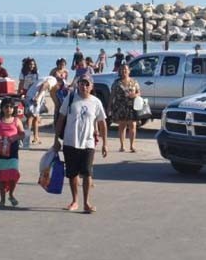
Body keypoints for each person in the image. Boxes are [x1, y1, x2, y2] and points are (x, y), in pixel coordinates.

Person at [52, 74, 107, 214]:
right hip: (70, 141)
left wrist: (105, 143)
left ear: (92, 86)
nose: (84, 86)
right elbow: (60, 120)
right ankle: (75, 200)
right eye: (82, 84)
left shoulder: (96, 102)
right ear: (78, 85)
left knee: (87, 173)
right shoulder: (70, 99)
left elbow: (102, 123)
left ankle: (86, 202)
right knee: (72, 173)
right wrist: (56, 139)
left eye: (87, 84)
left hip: (88, 142)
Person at [0, 98, 25, 207]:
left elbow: (23, 134)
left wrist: (14, 138)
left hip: (13, 151)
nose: (8, 109)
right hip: (0, 152)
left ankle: (11, 194)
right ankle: (2, 200)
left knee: (14, 174)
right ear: (2, 108)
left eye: (10, 107)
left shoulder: (17, 121)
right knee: (2, 177)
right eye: (6, 107)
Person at [108, 64, 140, 153]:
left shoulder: (134, 82)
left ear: (129, 71)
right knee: (122, 126)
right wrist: (109, 107)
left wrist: (135, 95)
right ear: (119, 71)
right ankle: (122, 146)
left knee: (132, 126)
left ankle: (132, 146)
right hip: (120, 107)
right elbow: (112, 95)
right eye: (122, 70)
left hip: (131, 107)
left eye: (125, 69)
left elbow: (139, 92)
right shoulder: (116, 83)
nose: (124, 71)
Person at [24, 76, 57, 144]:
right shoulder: (53, 81)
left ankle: (36, 137)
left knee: (36, 118)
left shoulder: (45, 78)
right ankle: (26, 139)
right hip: (34, 97)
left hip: (31, 95)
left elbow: (33, 85)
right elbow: (44, 85)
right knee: (30, 118)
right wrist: (38, 96)